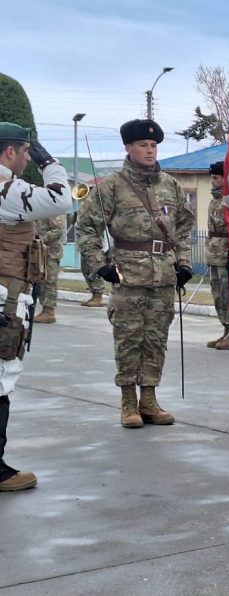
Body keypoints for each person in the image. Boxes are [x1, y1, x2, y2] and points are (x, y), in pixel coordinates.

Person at [77, 119, 194, 428]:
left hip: (163, 277)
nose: (150, 150)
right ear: (128, 148)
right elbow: (86, 229)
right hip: (127, 276)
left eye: (154, 145)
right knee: (129, 340)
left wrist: (183, 262)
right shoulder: (112, 187)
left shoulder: (169, 185)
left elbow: (182, 227)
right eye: (143, 145)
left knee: (156, 340)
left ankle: (149, 399)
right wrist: (100, 266)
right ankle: (128, 401)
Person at [0, 122, 71, 491]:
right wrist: (51, 162)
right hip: (3, 298)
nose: (28, 159)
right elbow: (61, 199)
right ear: (10, 152)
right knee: (0, 379)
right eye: (26, 152)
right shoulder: (6, 187)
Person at [204, 161, 229, 350]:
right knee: (218, 295)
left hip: (227, 254)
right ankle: (226, 330)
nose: (212, 181)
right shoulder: (214, 200)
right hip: (214, 254)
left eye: (216, 177)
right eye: (211, 177)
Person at [33, 214, 66, 324]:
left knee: (49, 281)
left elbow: (59, 231)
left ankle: (49, 311)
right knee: (40, 281)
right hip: (39, 251)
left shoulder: (54, 209)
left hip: (51, 252)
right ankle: (44, 309)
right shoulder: (39, 207)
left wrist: (40, 239)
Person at [77, 195, 105, 307]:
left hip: (92, 241)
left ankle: (98, 296)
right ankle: (93, 294)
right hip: (83, 242)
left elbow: (100, 224)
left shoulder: (98, 208)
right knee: (85, 269)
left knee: (95, 268)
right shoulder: (83, 206)